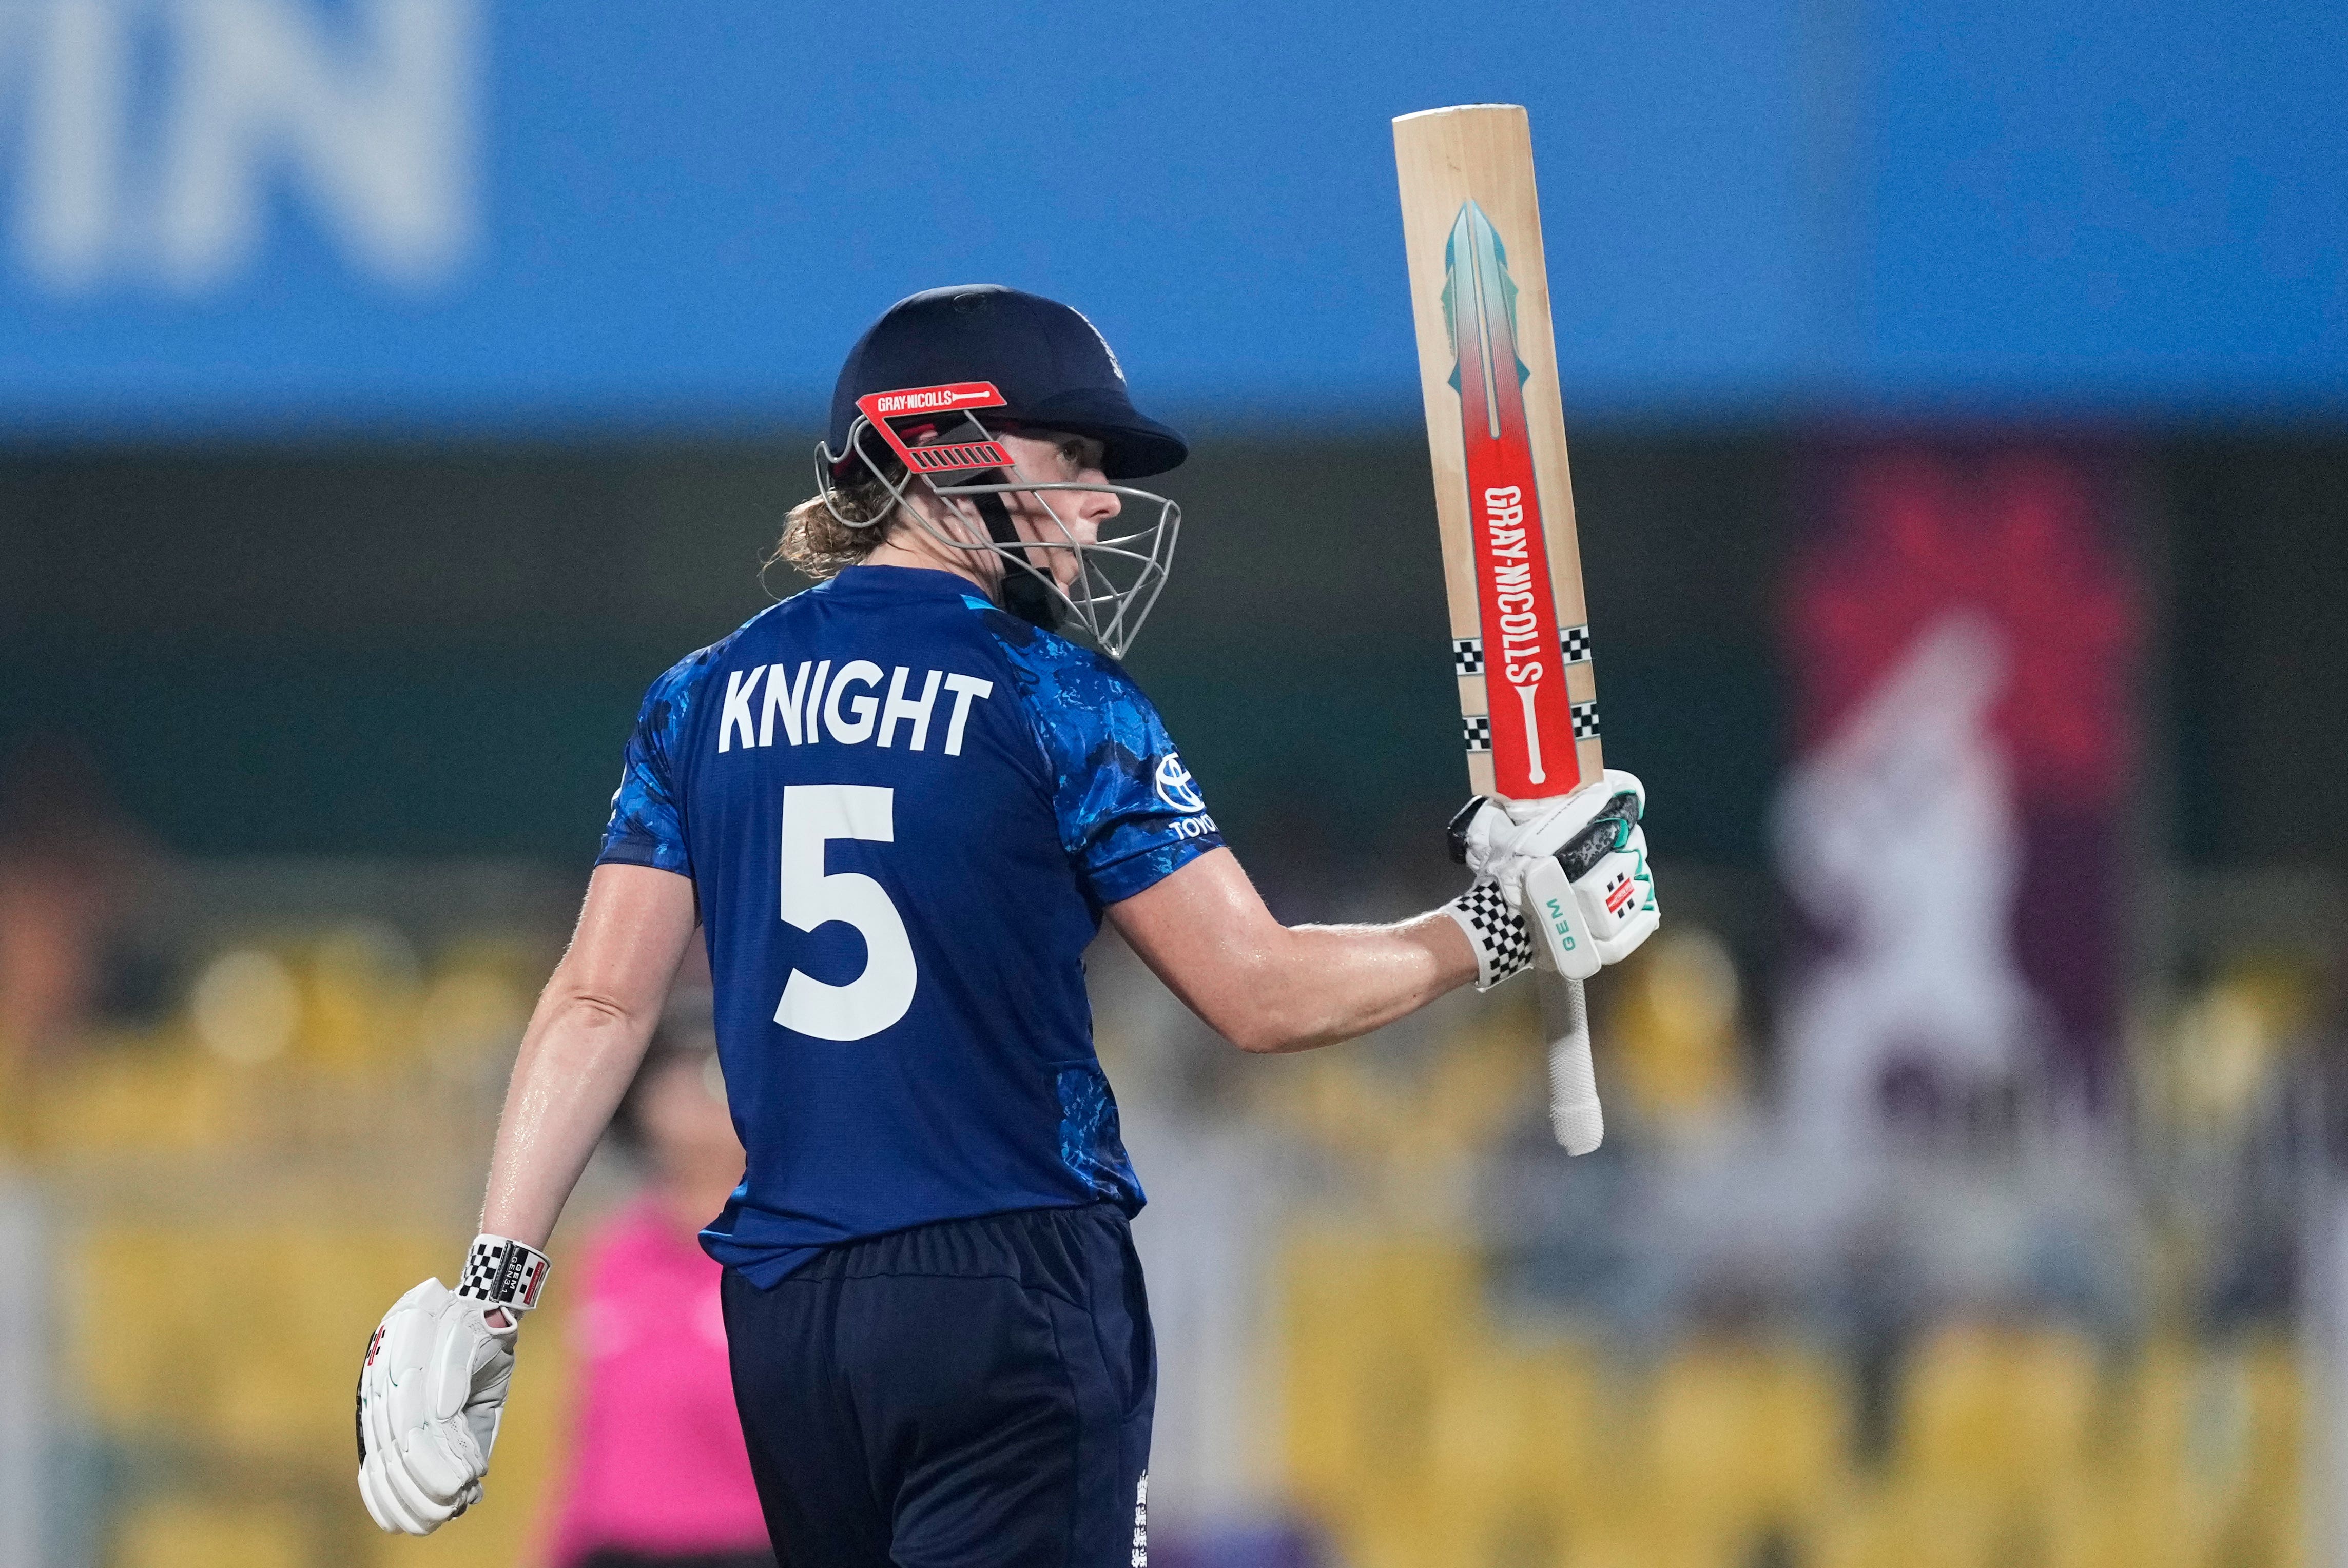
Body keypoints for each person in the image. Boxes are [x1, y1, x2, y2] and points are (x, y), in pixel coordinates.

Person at [355, 285, 1659, 1567]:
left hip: (789, 1308)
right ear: (939, 448)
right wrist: (1499, 923)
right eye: (1074, 454)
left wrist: (492, 1291)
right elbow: (1259, 992)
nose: (1101, 500)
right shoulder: (1054, 695)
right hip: (1008, 1281)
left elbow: (596, 1002)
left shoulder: (700, 697)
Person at [539, 996, 775, 1568]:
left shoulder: (789, 1258)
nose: (688, 1093)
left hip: (749, 1546)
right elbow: (590, 1437)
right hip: (617, 1549)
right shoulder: (612, 1255)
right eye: (670, 1069)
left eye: (713, 1074)